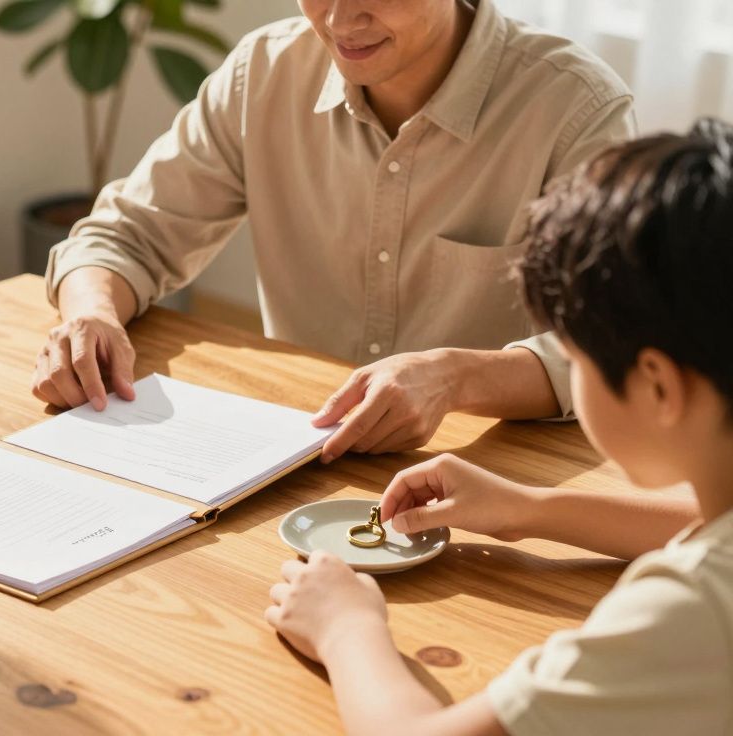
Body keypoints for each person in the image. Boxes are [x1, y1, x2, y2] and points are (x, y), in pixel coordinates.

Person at [265, 120, 733, 735]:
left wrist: (347, 629)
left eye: (576, 355)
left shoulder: (688, 611)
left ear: (658, 386)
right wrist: (528, 509)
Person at [33, 0, 636, 463]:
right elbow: (125, 234)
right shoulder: (264, 73)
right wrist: (92, 313)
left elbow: (618, 349)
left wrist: (453, 378)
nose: (341, 18)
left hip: (489, 478)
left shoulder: (574, 110)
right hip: (286, 459)